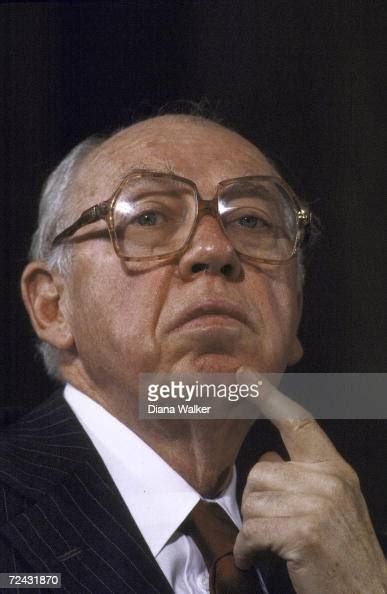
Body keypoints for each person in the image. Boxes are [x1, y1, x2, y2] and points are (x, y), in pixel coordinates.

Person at [0, 114, 385, 593]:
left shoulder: (353, 545)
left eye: (251, 220)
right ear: (53, 306)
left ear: (295, 318)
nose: (214, 248)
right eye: (150, 217)